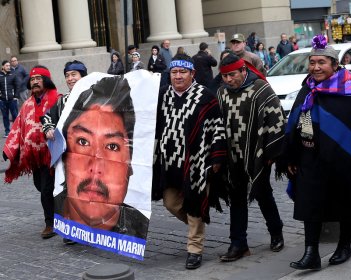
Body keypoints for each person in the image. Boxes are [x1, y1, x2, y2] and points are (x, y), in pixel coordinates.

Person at [285, 34, 351, 270]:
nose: (316, 67)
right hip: (310, 156)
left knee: (345, 201)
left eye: (321, 63)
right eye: (312, 63)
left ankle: (344, 245)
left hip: (343, 159)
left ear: (335, 65)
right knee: (309, 202)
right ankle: (310, 252)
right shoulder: (307, 89)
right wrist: (291, 155)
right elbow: (294, 121)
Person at [152, 53, 227, 269]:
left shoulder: (205, 96)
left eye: (182, 72)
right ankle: (198, 223)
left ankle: (195, 248)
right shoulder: (162, 96)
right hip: (169, 162)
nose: (177, 76)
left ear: (192, 73)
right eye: (174, 72)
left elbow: (217, 129)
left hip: (197, 161)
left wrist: (217, 157)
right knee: (171, 203)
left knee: (194, 202)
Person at [60, 76, 149, 239]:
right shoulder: (56, 210)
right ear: (65, 157)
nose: (96, 166)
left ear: (130, 164)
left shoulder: (138, 226)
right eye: (83, 141)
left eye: (112, 146)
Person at [217, 54, 286, 262]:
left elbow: (277, 118)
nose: (229, 80)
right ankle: (238, 243)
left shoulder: (261, 89)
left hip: (258, 154)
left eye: (232, 75)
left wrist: (270, 153)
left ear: (243, 71)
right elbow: (218, 123)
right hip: (233, 156)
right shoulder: (222, 93)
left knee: (263, 193)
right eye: (225, 76)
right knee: (236, 198)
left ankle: (276, 232)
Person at [3, 65, 61, 239]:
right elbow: (17, 127)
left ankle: (50, 224)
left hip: (52, 154)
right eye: (33, 79)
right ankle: (58, 213)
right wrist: (10, 149)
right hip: (33, 155)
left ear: (47, 81)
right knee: (40, 186)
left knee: (46, 189)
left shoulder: (56, 99)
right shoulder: (27, 104)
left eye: (39, 79)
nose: (35, 82)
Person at [40, 61, 87, 246]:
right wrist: (49, 128)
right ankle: (71, 230)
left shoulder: (95, 97)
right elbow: (47, 117)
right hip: (69, 156)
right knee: (69, 192)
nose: (70, 78)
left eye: (74, 74)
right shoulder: (62, 100)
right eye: (67, 75)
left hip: (91, 156)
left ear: (83, 76)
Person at [0, 60, 20, 138]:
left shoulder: (13, 74)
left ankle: (16, 131)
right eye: (7, 66)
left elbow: (17, 86)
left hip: (12, 100)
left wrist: (16, 96)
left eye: (9, 65)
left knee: (15, 115)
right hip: (3, 100)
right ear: (3, 67)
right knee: (5, 116)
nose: (8, 67)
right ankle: (7, 131)